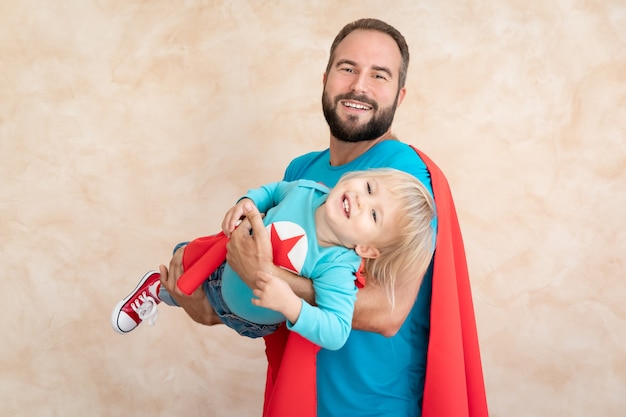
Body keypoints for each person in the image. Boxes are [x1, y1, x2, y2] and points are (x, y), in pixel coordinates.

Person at [160, 18, 488, 417]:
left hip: (378, 404)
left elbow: (388, 312)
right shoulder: (300, 172)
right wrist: (211, 307)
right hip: (304, 397)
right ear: (325, 78)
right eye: (347, 68)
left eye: (378, 75)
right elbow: (270, 300)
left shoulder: (401, 177)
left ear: (400, 96)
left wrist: (270, 278)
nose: (359, 86)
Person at [112, 168, 436, 352]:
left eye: (375, 215)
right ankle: (158, 289)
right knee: (181, 261)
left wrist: (291, 304)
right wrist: (247, 202)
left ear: (367, 250)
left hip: (247, 317)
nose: (361, 200)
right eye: (368, 187)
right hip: (221, 266)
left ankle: (165, 292)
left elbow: (336, 332)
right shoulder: (309, 191)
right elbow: (275, 191)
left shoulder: (337, 266)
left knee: (205, 306)